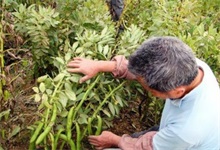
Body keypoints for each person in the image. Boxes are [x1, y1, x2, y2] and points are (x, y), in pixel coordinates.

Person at [67, 36, 220, 150]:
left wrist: (114, 140)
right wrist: (99, 65)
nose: (143, 85)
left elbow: (145, 147)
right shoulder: (192, 66)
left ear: (177, 91)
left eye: (150, 90)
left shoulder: (185, 130)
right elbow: (141, 71)